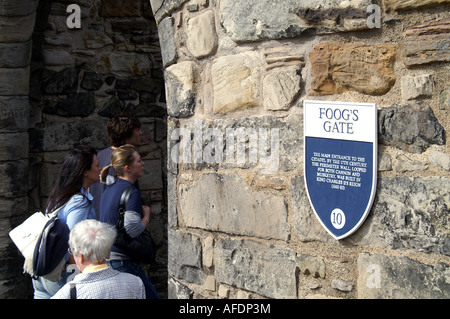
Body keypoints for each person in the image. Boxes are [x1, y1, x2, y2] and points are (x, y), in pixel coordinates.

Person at [32, 145, 101, 299]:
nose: (100, 168)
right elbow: (72, 243)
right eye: (97, 165)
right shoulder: (79, 202)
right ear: (85, 171)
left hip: (44, 270)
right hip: (62, 273)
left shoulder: (59, 195)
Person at [99, 144, 159, 299]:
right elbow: (132, 228)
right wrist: (146, 217)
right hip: (123, 260)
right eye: (138, 161)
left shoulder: (108, 190)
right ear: (128, 168)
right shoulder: (131, 192)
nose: (143, 163)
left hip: (109, 258)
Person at [51, 219, 145, 299]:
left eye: (72, 252)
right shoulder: (136, 283)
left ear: (81, 256)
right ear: (107, 251)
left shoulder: (68, 293)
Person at [90, 115, 142, 218]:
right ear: (127, 135)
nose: (140, 133)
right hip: (115, 224)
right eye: (137, 130)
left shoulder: (99, 156)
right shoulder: (126, 160)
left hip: (97, 219)